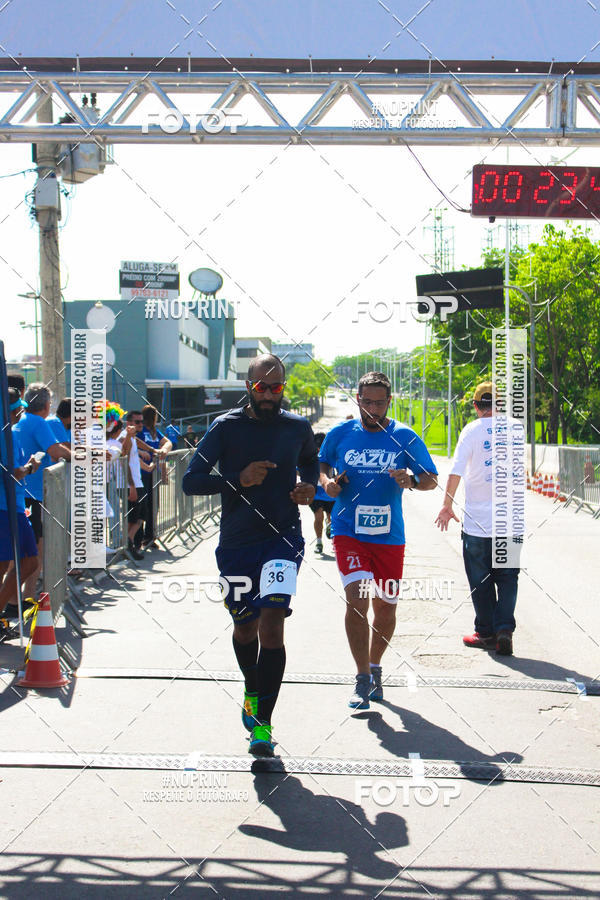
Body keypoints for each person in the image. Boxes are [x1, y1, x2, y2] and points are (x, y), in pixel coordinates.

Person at [183, 354, 318, 757]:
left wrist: (308, 487)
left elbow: (311, 462)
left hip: (283, 538)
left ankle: (263, 725)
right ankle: (251, 686)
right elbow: (191, 482)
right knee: (246, 628)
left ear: (284, 389)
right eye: (262, 387)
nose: (269, 395)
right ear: (248, 386)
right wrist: (236, 480)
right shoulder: (226, 427)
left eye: (276, 388)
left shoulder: (297, 427)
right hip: (238, 544)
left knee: (273, 623)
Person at [319, 372, 437, 710]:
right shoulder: (341, 434)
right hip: (347, 529)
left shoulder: (405, 437)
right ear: (357, 399)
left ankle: (374, 666)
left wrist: (411, 480)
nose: (372, 408)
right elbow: (323, 466)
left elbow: (430, 479)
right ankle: (361, 678)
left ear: (389, 402)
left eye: (379, 402)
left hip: (388, 535)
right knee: (357, 598)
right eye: (366, 402)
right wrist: (328, 483)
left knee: (385, 605)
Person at [435, 382, 524, 657]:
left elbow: (456, 470)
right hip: (510, 521)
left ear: (476, 406)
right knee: (508, 578)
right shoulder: (516, 429)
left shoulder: (471, 431)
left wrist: (446, 505)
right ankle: (504, 629)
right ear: (500, 405)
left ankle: (486, 633)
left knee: (481, 580)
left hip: (478, 524)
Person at [12, 383, 71, 598]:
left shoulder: (21, 420)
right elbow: (56, 450)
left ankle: (25, 597)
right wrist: (81, 457)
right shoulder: (38, 422)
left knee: (30, 549)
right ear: (46, 405)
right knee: (32, 551)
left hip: (26, 493)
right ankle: (18, 600)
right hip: (31, 493)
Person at [0, 389, 41, 636]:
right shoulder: (6, 434)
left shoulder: (9, 432)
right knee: (29, 561)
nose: (20, 412)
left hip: (10, 506)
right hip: (7, 507)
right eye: (19, 408)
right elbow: (12, 473)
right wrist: (30, 467)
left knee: (6, 564)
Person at [117, 410, 155, 561]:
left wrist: (148, 465)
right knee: (133, 516)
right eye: (137, 422)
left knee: (141, 515)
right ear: (129, 423)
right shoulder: (123, 436)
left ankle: (128, 541)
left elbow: (134, 456)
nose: (141, 424)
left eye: (142, 421)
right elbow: (123, 456)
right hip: (128, 484)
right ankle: (127, 544)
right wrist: (131, 485)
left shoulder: (132, 438)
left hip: (136, 482)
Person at [138, 404, 172, 550]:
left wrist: (164, 449)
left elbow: (167, 442)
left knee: (154, 505)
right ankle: (138, 538)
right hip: (141, 473)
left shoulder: (154, 431)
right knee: (142, 505)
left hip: (153, 473)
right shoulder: (140, 430)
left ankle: (150, 535)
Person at [310, 432, 334, 553]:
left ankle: (335, 541)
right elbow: (299, 470)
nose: (319, 449)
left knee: (332, 519)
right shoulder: (309, 455)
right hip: (316, 493)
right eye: (317, 447)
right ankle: (319, 542)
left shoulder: (332, 454)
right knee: (318, 516)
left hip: (330, 493)